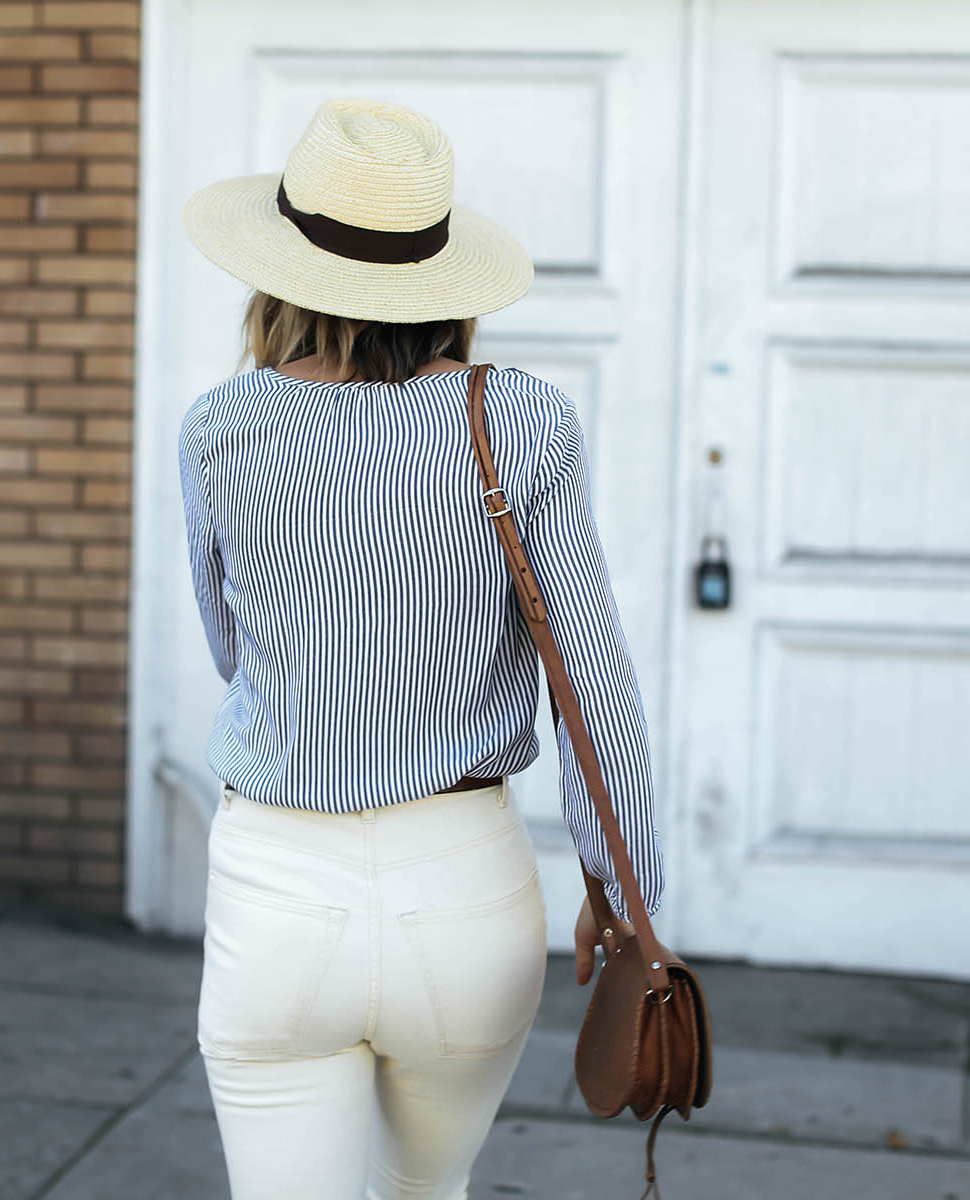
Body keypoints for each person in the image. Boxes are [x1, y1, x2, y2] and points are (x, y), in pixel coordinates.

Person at [176, 96, 665, 1200]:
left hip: (278, 891)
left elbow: (231, 649)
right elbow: (595, 681)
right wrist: (626, 887)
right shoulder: (525, 421)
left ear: (282, 271)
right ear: (444, 278)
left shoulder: (218, 429)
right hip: (466, 895)